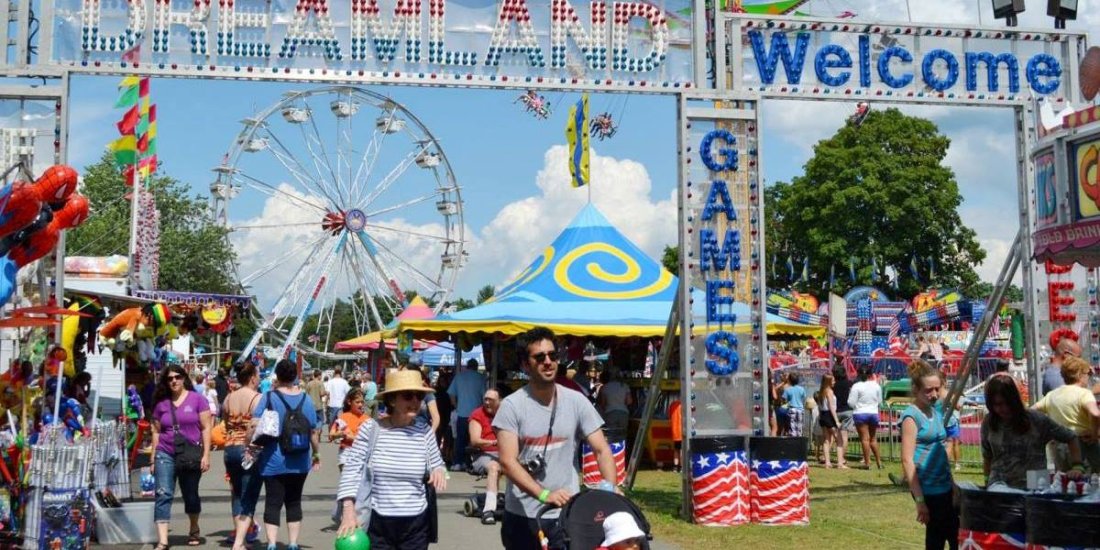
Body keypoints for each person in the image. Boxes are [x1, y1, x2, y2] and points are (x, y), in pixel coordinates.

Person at [494, 326, 619, 550]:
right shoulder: (511, 406)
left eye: (553, 355)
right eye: (539, 357)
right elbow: (507, 462)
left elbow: (601, 449)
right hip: (523, 517)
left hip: (568, 516)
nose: (548, 362)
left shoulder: (576, 401)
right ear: (525, 364)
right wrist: (544, 494)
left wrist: (609, 489)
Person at [336, 370, 446, 550]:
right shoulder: (371, 430)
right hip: (378, 522)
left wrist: (439, 469)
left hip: (416, 524)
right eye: (408, 396)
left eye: (419, 396)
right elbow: (351, 471)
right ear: (392, 400)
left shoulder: (424, 431)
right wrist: (348, 510)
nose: (415, 402)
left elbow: (436, 462)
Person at [254, 359, 321, 550]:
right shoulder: (306, 400)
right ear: (295, 376)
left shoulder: (268, 397)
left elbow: (254, 424)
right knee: (294, 500)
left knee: (273, 502)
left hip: (273, 458)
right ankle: (292, 543)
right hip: (300, 459)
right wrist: (316, 454)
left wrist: (249, 444)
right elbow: (314, 432)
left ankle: (272, 543)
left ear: (277, 375)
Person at [149, 365, 213, 549]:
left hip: (190, 453)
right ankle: (163, 541)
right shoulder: (161, 404)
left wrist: (206, 455)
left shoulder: (197, 400)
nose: (174, 381)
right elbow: (156, 432)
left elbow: (206, 427)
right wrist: (153, 457)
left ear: (184, 378)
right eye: (169, 379)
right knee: (163, 494)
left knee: (190, 495)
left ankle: (193, 528)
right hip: (165, 452)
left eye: (177, 377)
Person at [982, 375, 1084, 490]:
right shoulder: (989, 422)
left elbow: (1071, 437)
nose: (1004, 408)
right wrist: (986, 482)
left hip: (1035, 486)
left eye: (1008, 403)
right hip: (999, 486)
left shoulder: (1036, 420)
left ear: (1015, 400)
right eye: (998, 404)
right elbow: (987, 455)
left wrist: (1077, 466)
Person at [900, 360, 958, 550]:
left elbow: (941, 450)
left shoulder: (936, 410)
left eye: (937, 389)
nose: (934, 394)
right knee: (938, 538)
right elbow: (907, 460)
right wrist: (920, 501)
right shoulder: (911, 417)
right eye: (928, 390)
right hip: (928, 489)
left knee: (955, 534)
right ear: (916, 389)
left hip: (945, 485)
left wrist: (952, 484)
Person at [1033, 356, 1100, 471]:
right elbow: (1095, 413)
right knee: (1088, 483)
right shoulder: (1084, 394)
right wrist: (1094, 434)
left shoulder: (1052, 395)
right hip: (1082, 445)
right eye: (1088, 374)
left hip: (1059, 447)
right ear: (1080, 375)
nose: (1088, 377)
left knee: (1064, 482)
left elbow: (1031, 411)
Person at [223, 364, 262, 550]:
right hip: (248, 449)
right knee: (249, 496)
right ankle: (240, 542)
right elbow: (258, 427)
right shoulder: (257, 398)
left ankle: (240, 537)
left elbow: (225, 423)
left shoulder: (229, 397)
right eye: (258, 375)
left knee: (236, 493)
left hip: (229, 448)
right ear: (253, 378)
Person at [469, 388, 502, 524]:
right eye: (485, 399)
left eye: (491, 400)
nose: (487, 402)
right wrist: (494, 442)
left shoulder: (506, 413)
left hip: (504, 453)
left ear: (499, 401)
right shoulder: (477, 414)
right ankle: (488, 510)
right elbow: (475, 440)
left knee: (524, 466)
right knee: (494, 467)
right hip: (483, 454)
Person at [448, 358, 488, 472]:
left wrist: (456, 405)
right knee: (474, 441)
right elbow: (484, 396)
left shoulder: (459, 376)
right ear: (476, 367)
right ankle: (470, 463)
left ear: (467, 366)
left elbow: (451, 394)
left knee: (460, 439)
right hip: (476, 414)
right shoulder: (481, 378)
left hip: (462, 413)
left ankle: (457, 463)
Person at [848, 368, 883, 469]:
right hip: (873, 413)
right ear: (871, 375)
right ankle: (879, 461)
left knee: (864, 439)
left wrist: (856, 406)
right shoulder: (876, 385)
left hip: (860, 413)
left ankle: (867, 463)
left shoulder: (856, 386)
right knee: (873, 439)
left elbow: (851, 402)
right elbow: (880, 401)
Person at [330, 387, 369, 470]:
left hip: (361, 455)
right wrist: (339, 434)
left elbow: (370, 439)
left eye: (362, 402)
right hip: (345, 454)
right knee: (347, 482)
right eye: (357, 402)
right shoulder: (343, 417)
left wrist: (351, 438)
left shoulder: (367, 419)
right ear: (349, 402)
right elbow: (331, 435)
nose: (360, 405)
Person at [597, 368, 633, 442]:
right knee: (622, 436)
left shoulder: (605, 387)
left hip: (610, 413)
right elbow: (629, 401)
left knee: (611, 436)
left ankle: (613, 452)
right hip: (623, 413)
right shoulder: (625, 386)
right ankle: (622, 452)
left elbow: (603, 404)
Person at [817, 373, 843, 468]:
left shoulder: (821, 391)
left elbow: (820, 407)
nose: (834, 382)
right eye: (833, 380)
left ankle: (827, 462)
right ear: (828, 382)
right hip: (829, 415)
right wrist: (836, 421)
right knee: (839, 440)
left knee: (826, 440)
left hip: (823, 415)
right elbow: (832, 407)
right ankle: (840, 463)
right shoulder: (829, 392)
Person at [832, 365, 852, 468]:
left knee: (836, 437)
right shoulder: (849, 384)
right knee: (844, 437)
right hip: (847, 410)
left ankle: (838, 458)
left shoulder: (833, 386)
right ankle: (842, 459)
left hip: (836, 411)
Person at [782, 373, 806, 437]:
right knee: (799, 427)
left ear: (789, 380)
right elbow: (803, 398)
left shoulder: (788, 390)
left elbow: (784, 400)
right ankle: (799, 440)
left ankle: (793, 442)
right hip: (800, 409)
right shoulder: (802, 389)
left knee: (792, 428)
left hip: (792, 409)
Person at [669, 398, 683, 473]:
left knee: (676, 450)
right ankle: (681, 467)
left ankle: (675, 467)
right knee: (681, 450)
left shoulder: (672, 405)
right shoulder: (685, 405)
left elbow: (669, 415)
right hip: (682, 431)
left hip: (675, 431)